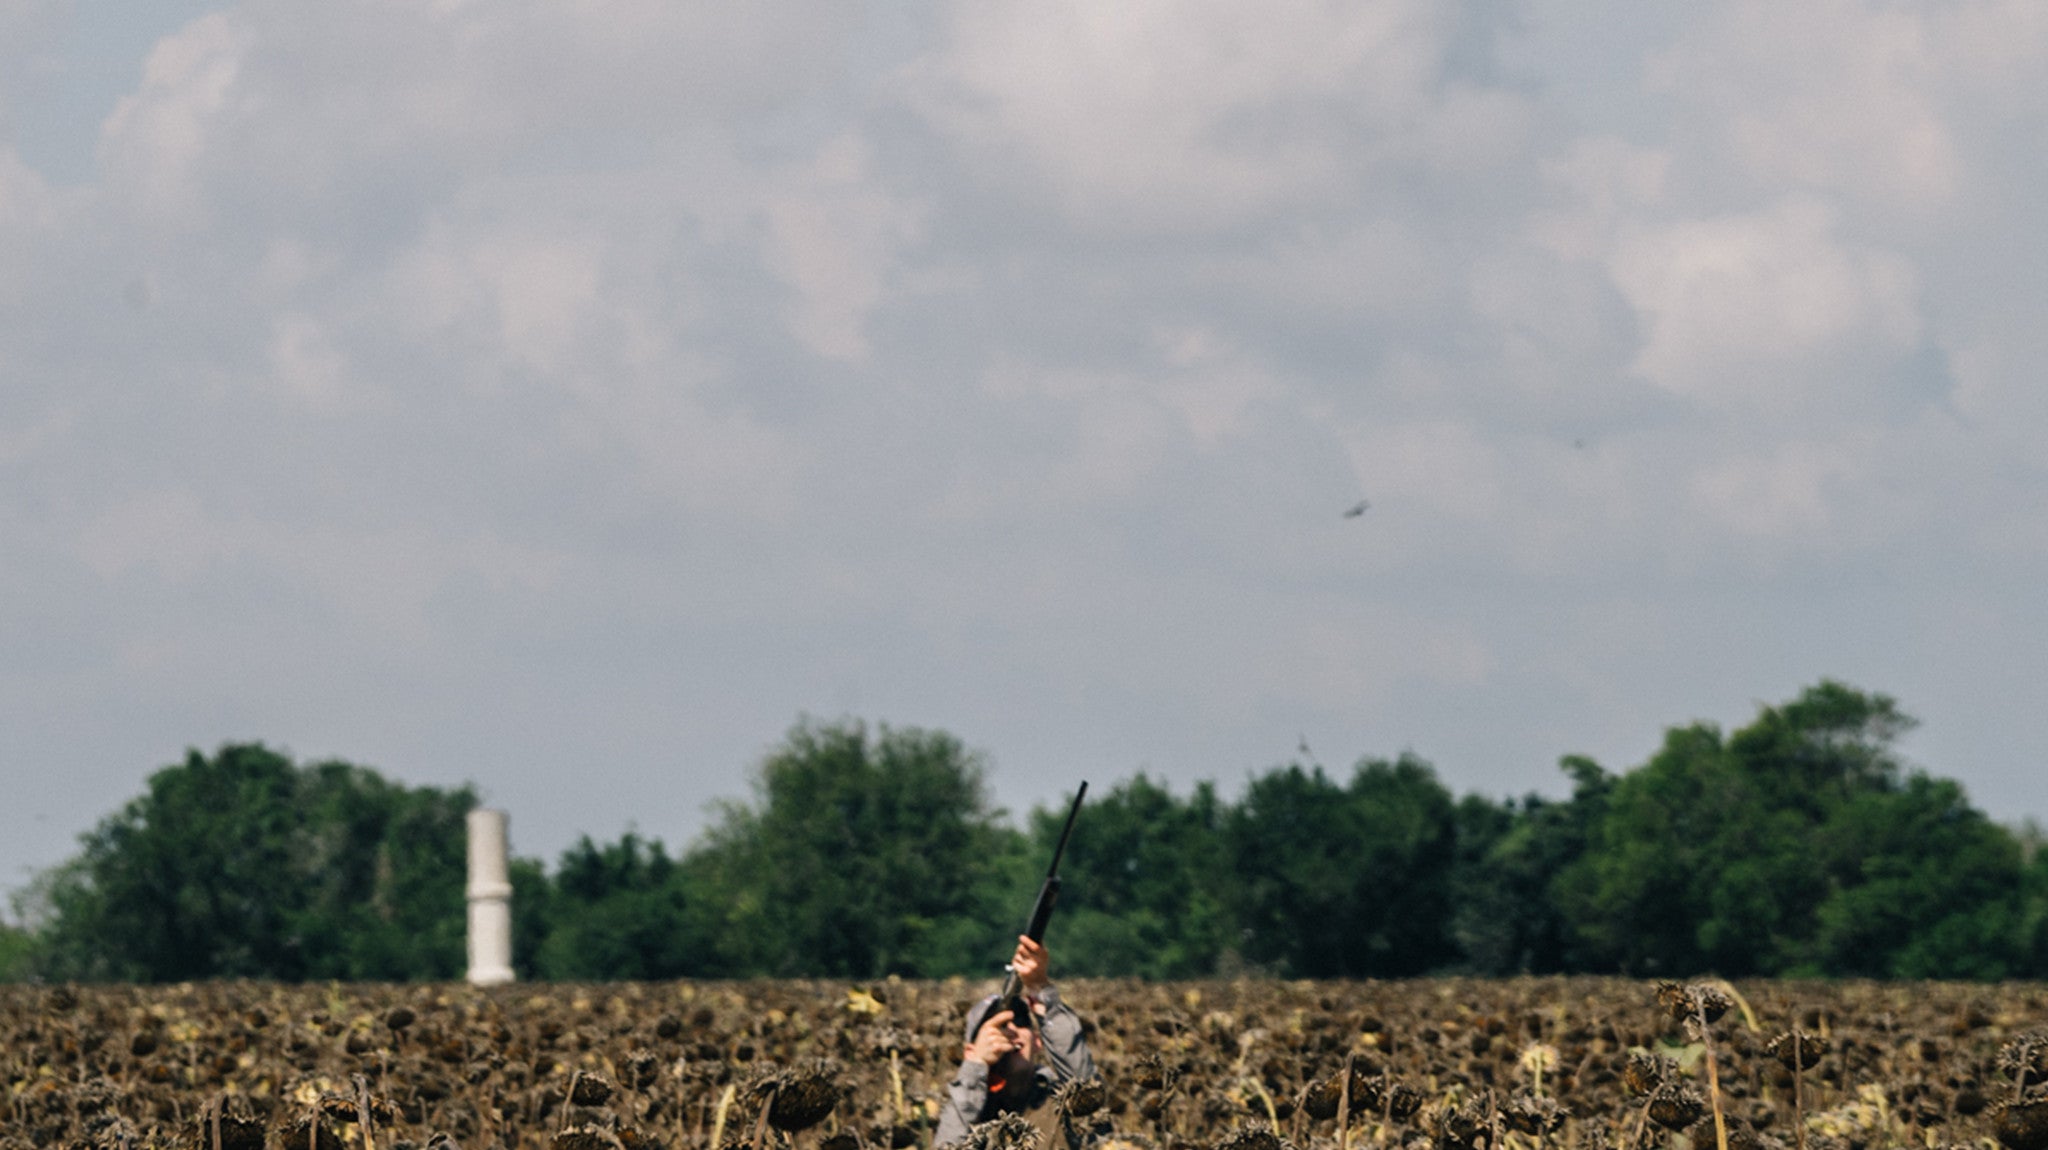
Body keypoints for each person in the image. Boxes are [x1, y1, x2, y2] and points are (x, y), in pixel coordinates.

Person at [932, 934, 1097, 1148]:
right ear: (970, 1050)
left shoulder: (1060, 1108)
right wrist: (974, 1069)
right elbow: (946, 1145)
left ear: (1038, 1041)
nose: (1010, 1029)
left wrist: (1042, 991)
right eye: (995, 1024)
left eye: (1019, 1019)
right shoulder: (968, 1111)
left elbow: (1089, 1092)